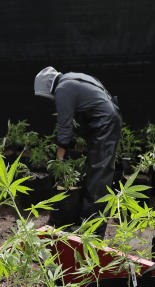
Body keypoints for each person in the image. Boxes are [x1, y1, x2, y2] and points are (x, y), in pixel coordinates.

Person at [33, 66, 122, 221]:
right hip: (107, 120)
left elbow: (64, 127)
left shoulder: (62, 89)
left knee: (98, 180)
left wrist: (59, 160)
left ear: (48, 87)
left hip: (104, 125)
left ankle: (92, 231)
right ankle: (87, 222)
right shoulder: (71, 78)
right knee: (95, 172)